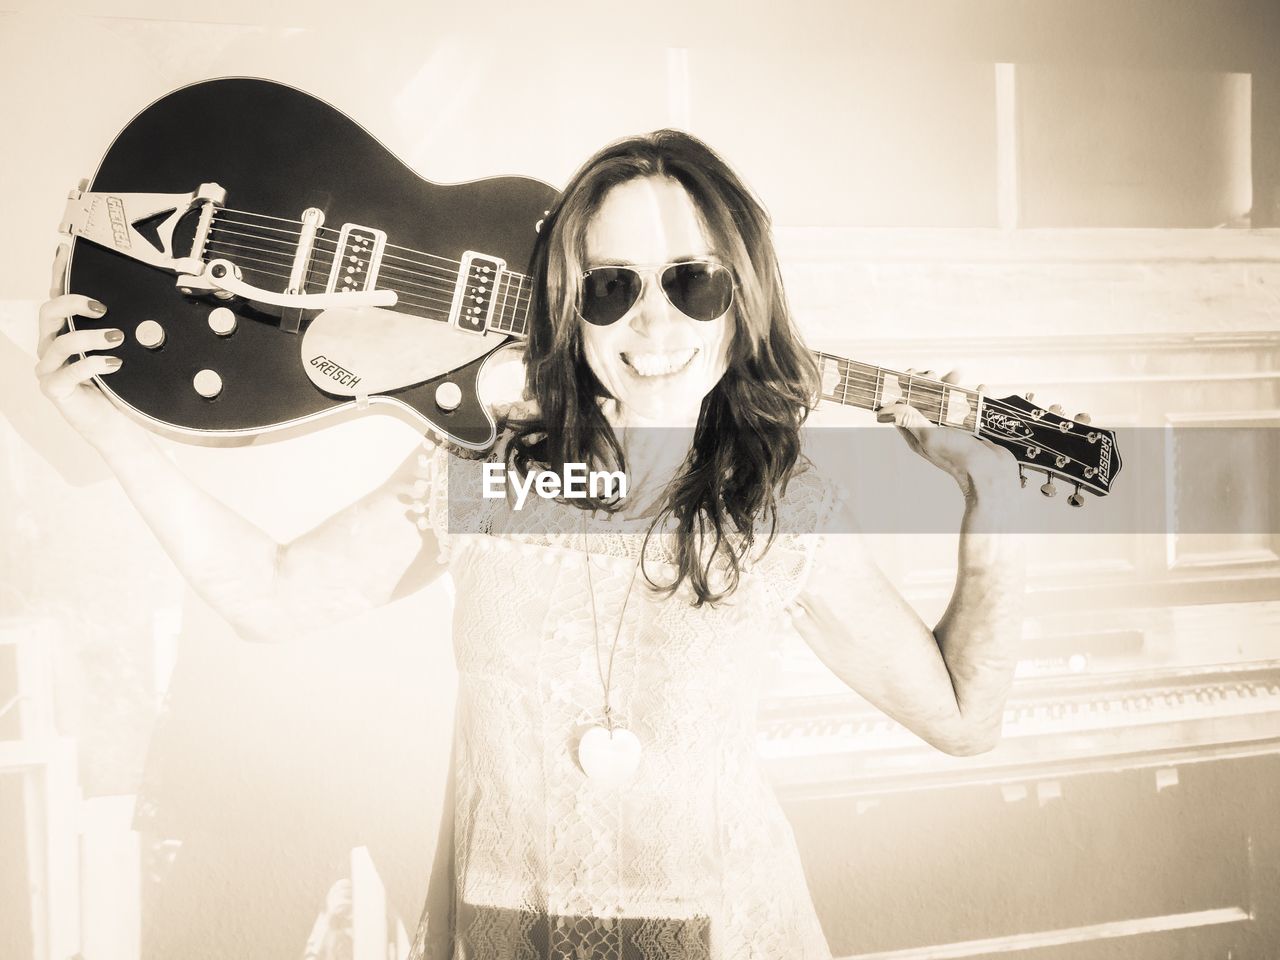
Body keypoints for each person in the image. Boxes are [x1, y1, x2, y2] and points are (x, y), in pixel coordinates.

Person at [37, 129, 1024, 960]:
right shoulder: (479, 474)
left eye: (692, 282)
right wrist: (108, 426)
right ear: (567, 310)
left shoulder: (777, 509)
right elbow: (271, 596)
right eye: (608, 288)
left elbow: (960, 718)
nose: (652, 319)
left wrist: (992, 497)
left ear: (742, 296)